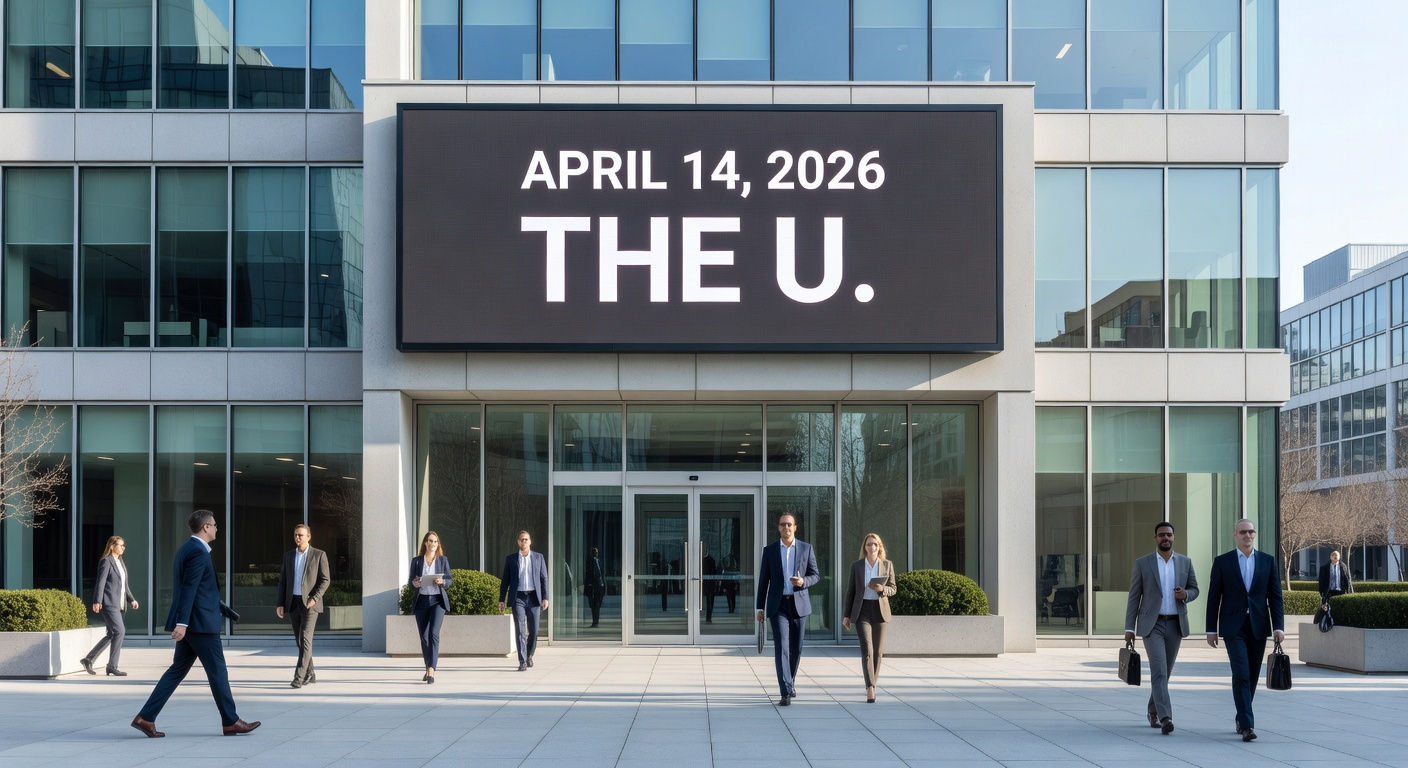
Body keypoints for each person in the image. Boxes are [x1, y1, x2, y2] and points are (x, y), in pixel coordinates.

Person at [132, 510, 259, 738]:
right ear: (206, 527)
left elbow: (199, 590)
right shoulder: (199, 552)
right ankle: (231, 721)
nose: (217, 528)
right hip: (199, 625)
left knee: (176, 671)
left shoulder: (186, 549)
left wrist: (219, 609)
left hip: (194, 622)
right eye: (215, 525)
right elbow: (189, 589)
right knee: (218, 671)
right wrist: (182, 623)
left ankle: (146, 718)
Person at [1205, 518, 1285, 743]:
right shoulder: (1223, 562)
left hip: (1258, 626)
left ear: (1255, 534)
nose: (1247, 535)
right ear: (1235, 536)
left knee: (1251, 675)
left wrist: (1279, 626)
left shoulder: (1268, 562)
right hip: (1233, 626)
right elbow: (1214, 598)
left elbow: (1275, 598)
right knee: (1240, 672)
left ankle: (1241, 715)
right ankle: (1248, 725)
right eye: (1243, 532)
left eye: (1250, 532)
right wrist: (1211, 629)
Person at [1123, 521, 1199, 735]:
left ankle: (1152, 710)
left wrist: (1186, 595)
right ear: (1155, 538)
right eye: (1161, 535)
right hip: (1152, 625)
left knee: (1164, 674)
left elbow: (1195, 589)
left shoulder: (1185, 562)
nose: (1165, 538)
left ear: (1174, 537)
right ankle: (1166, 718)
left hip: (1176, 624)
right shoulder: (1143, 563)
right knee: (1158, 670)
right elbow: (1133, 597)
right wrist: (1129, 627)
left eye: (1169, 534)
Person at [756, 512, 819, 707]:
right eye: (783, 524)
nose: (786, 528)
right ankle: (784, 691)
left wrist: (803, 581)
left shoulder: (806, 549)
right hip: (778, 605)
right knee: (781, 647)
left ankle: (790, 682)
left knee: (796, 649)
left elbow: (815, 575)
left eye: (789, 524)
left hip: (799, 604)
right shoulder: (770, 551)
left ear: (795, 527)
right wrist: (760, 607)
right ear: (778, 527)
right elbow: (763, 580)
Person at [841, 533, 896, 704]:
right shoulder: (857, 566)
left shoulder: (887, 565)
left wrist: (882, 589)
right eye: (869, 544)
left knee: (878, 652)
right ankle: (870, 687)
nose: (872, 547)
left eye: (875, 544)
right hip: (862, 609)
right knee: (867, 649)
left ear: (880, 547)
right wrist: (846, 615)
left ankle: (872, 682)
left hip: (879, 611)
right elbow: (850, 591)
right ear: (864, 547)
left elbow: (893, 588)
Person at [275, 523, 330, 688]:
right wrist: (280, 603)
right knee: (300, 641)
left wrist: (315, 597)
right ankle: (310, 673)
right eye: (296, 535)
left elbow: (325, 580)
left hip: (310, 604)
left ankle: (299, 677)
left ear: (309, 537)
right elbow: (283, 581)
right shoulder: (289, 556)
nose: (297, 538)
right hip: (293, 603)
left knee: (306, 639)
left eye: (301, 535)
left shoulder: (319, 555)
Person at [81, 535, 138, 676]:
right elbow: (101, 582)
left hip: (119, 603)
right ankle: (112, 666)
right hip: (109, 602)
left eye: (124, 545)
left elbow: (124, 585)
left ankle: (88, 659)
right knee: (120, 631)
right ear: (112, 546)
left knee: (112, 634)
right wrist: (97, 601)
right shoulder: (106, 561)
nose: (123, 547)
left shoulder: (120, 562)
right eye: (120, 545)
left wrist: (131, 600)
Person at [499, 530, 549, 671]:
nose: (524, 542)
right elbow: (505, 581)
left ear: (530, 541)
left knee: (534, 630)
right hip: (518, 598)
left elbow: (544, 579)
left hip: (534, 598)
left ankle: (529, 655)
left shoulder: (538, 558)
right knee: (520, 629)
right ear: (518, 542)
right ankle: (522, 661)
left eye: (526, 539)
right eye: (521, 540)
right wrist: (501, 599)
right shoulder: (511, 559)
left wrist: (545, 597)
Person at [409, 531, 451, 684]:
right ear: (425, 543)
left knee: (433, 634)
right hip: (421, 602)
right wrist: (415, 583)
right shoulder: (417, 561)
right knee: (424, 637)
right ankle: (428, 666)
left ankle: (431, 670)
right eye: (430, 541)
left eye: (435, 542)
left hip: (437, 602)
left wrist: (442, 582)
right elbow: (410, 581)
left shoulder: (442, 560)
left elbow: (449, 580)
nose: (433, 544)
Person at [585, 547, 606, 628]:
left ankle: (596, 621)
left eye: (596, 553)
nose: (596, 554)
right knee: (594, 604)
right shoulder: (590, 562)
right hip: (593, 585)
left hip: (600, 585)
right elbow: (589, 573)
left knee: (598, 604)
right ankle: (595, 621)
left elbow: (601, 573)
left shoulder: (599, 561)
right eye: (594, 553)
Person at [702, 543, 719, 623]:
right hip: (704, 583)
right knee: (708, 601)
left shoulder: (710, 559)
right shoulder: (705, 559)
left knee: (709, 601)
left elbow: (714, 572)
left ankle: (708, 618)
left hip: (709, 584)